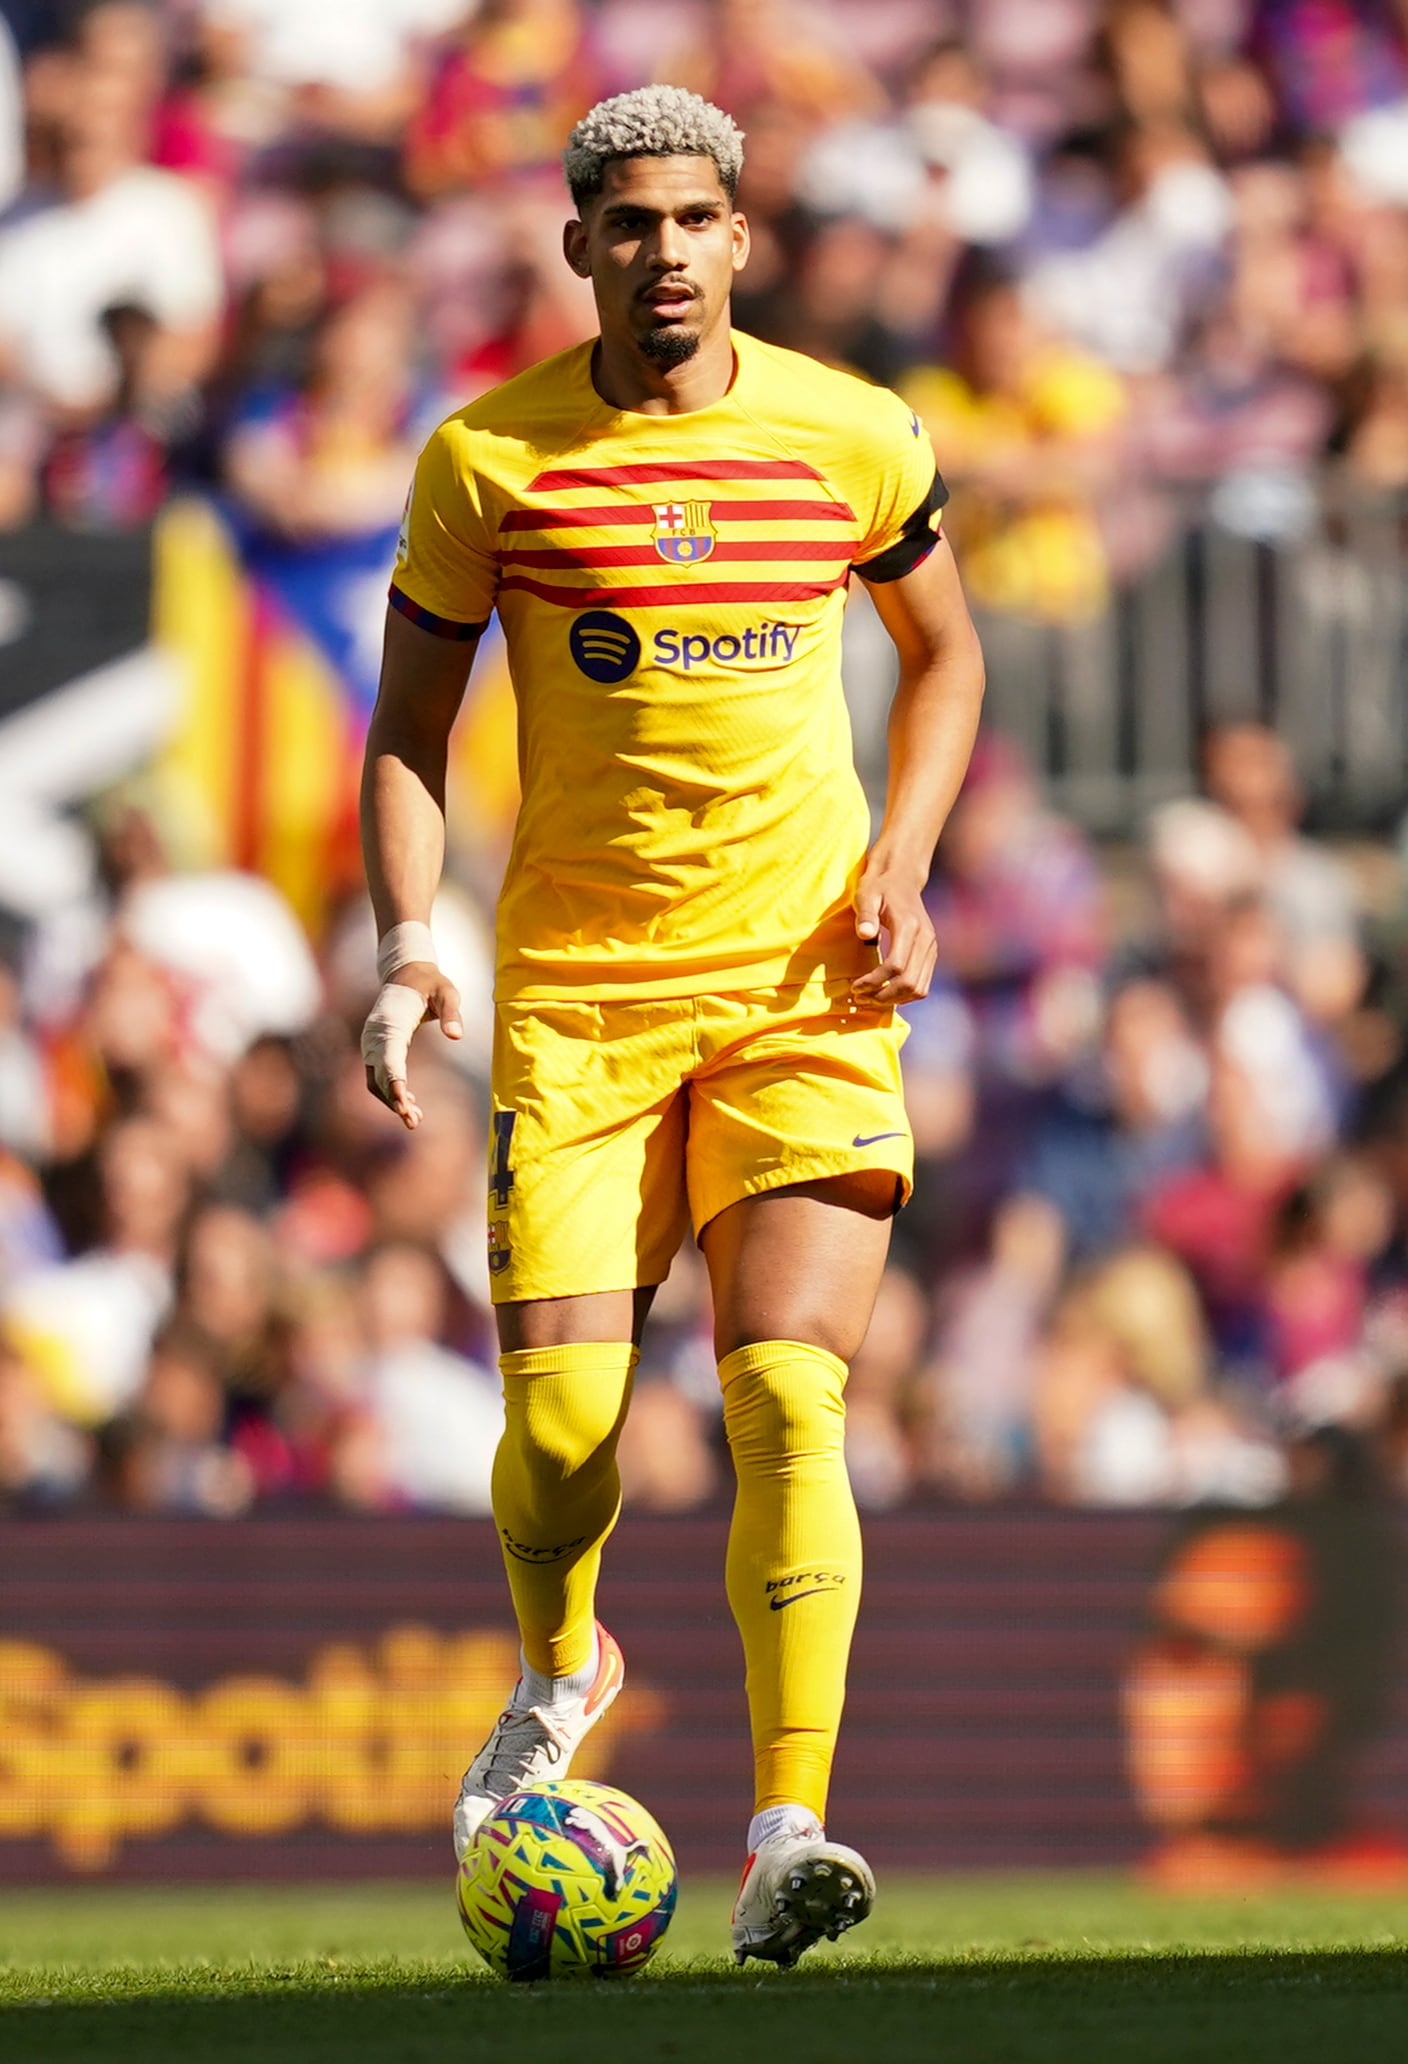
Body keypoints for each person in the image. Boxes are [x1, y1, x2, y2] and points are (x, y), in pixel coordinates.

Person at [358, 85, 984, 1968]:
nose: (665, 253)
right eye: (627, 223)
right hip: (582, 993)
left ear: (740, 237)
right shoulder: (491, 461)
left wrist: (911, 856)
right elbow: (406, 728)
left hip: (804, 980)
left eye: (695, 219)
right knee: (564, 1424)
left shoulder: (856, 437)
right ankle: (566, 1663)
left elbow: (948, 651)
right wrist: (406, 939)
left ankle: (790, 1826)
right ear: (578, 246)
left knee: (791, 1389)